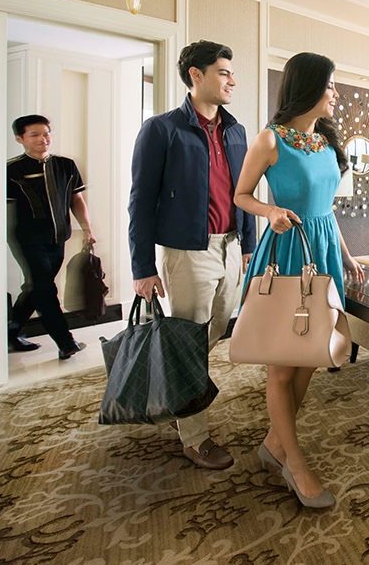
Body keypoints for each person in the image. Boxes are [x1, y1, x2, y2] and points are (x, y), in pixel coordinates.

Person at [234, 51, 365, 508]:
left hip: (323, 251)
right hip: (288, 251)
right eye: (330, 85)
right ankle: (294, 464)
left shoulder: (326, 141)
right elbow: (241, 195)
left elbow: (327, 208)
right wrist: (269, 210)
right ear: (309, 87)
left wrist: (346, 255)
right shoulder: (270, 141)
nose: (336, 93)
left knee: (311, 354)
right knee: (283, 363)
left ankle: (274, 445)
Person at [129, 40, 257, 470]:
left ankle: (173, 394)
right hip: (187, 252)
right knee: (188, 344)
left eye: (232, 72)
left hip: (231, 247)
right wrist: (142, 267)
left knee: (214, 331)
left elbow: (244, 192)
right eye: (223, 72)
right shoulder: (161, 129)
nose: (232, 80)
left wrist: (249, 245)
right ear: (195, 76)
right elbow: (141, 202)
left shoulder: (236, 131)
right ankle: (195, 437)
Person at [7, 115, 94, 359]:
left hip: (58, 238)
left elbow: (76, 199)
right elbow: (5, 209)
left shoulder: (66, 165)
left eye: (46, 133)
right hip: (27, 240)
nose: (43, 139)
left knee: (35, 287)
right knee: (45, 288)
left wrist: (87, 229)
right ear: (20, 139)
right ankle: (65, 342)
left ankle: (10, 333)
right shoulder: (11, 169)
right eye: (34, 135)